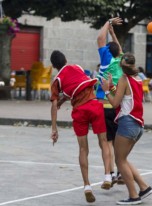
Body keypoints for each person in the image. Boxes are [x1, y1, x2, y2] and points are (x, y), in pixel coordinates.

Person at [49, 50, 108, 203]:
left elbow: (55, 104)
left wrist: (54, 128)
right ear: (66, 59)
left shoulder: (57, 81)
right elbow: (78, 85)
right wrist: (63, 101)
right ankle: (107, 175)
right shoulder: (77, 67)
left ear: (54, 66)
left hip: (79, 112)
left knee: (83, 149)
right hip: (94, 106)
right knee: (103, 141)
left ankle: (87, 185)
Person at [101, 53, 152, 205]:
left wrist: (105, 90)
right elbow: (124, 97)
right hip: (138, 125)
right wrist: (111, 86)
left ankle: (133, 195)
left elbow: (115, 104)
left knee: (119, 160)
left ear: (122, 67)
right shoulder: (138, 79)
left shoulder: (124, 79)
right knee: (123, 159)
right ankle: (144, 187)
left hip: (127, 123)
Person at [96, 17, 124, 189]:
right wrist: (113, 33)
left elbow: (100, 38)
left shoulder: (106, 59)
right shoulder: (120, 62)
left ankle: (109, 175)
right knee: (115, 143)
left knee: (104, 143)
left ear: (107, 51)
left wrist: (107, 22)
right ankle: (119, 172)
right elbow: (118, 48)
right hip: (117, 108)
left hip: (103, 106)